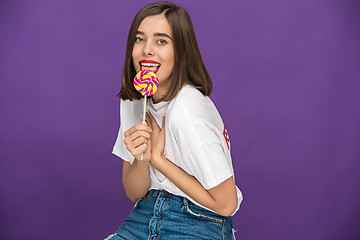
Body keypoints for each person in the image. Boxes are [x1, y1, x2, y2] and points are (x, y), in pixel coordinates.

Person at [106, 2, 243, 239]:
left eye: (161, 41)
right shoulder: (135, 102)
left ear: (180, 51)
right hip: (144, 213)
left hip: (198, 219)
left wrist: (158, 160)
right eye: (140, 39)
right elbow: (134, 192)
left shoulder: (187, 110)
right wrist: (142, 159)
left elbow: (226, 204)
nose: (147, 50)